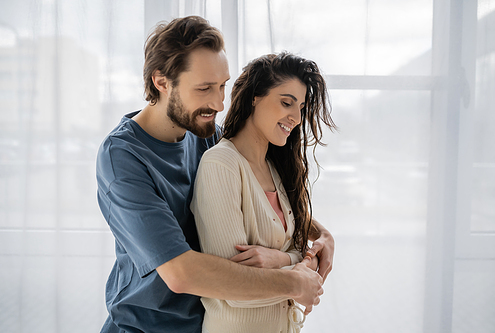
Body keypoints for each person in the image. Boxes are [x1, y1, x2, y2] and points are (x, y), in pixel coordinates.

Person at [96, 16, 333, 333]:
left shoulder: (204, 132)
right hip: (146, 327)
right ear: (161, 82)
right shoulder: (122, 158)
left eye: (222, 86)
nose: (219, 103)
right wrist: (292, 281)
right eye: (205, 88)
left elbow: (260, 195)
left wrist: (319, 233)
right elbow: (181, 273)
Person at [191, 52, 336, 333]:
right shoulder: (221, 164)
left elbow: (296, 247)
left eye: (302, 107)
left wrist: (281, 259)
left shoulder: (275, 167)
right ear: (255, 97)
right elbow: (232, 288)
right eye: (286, 102)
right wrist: (298, 269)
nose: (296, 117)